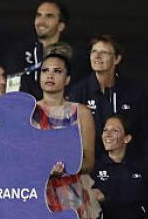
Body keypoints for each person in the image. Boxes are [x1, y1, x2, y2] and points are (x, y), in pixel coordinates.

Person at [0, 0, 87, 95]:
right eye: (39, 15)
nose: (41, 21)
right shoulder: (15, 47)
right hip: (16, 121)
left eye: (49, 16)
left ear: (61, 25)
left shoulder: (74, 57)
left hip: (54, 123)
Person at [67, 35, 148, 173]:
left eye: (104, 52)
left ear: (117, 59)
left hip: (130, 165)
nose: (97, 56)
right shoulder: (78, 91)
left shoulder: (134, 90)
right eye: (94, 52)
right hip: (92, 167)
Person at [31, 53, 98, 219]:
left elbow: (89, 161)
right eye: (45, 70)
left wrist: (65, 167)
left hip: (72, 196)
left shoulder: (81, 112)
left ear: (67, 79)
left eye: (57, 71)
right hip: (35, 195)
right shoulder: (27, 111)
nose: (50, 75)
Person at [92, 114, 148, 219]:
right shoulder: (93, 168)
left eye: (115, 131)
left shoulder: (142, 167)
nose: (108, 135)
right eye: (105, 130)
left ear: (127, 138)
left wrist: (106, 198)